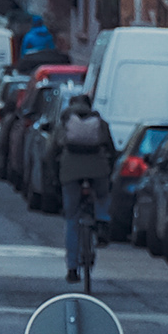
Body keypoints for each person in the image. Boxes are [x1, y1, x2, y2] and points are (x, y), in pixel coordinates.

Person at [57, 93, 113, 290]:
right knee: (103, 195)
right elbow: (110, 148)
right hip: (97, 170)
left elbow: (51, 149)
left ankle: (72, 269)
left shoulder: (64, 121)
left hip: (71, 174)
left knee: (72, 218)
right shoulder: (99, 122)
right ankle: (103, 222)